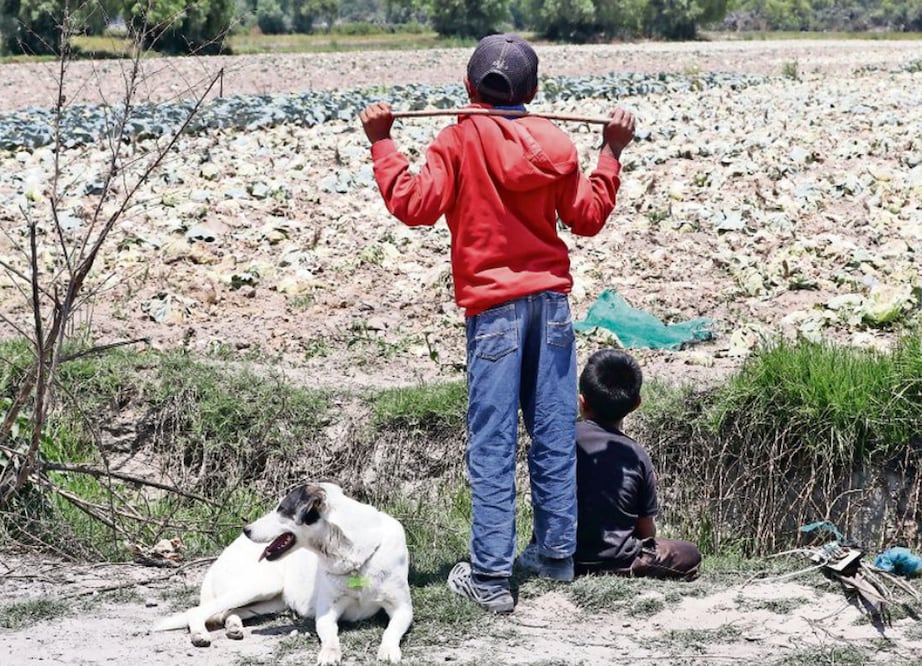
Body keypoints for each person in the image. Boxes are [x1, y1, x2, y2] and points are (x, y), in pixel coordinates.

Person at [359, 33, 636, 613]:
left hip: (493, 312)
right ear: (533, 90)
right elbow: (586, 218)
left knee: (493, 444)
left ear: (468, 87)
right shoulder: (556, 141)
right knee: (553, 433)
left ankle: (489, 577)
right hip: (551, 307)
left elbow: (413, 205)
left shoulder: (456, 141)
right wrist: (610, 152)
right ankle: (554, 556)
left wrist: (382, 142)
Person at [574, 348, 701, 580]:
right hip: (618, 562)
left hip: (565, 555)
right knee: (690, 552)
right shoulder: (636, 453)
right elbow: (646, 530)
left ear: (582, 401)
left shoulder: (561, 442)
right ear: (636, 404)